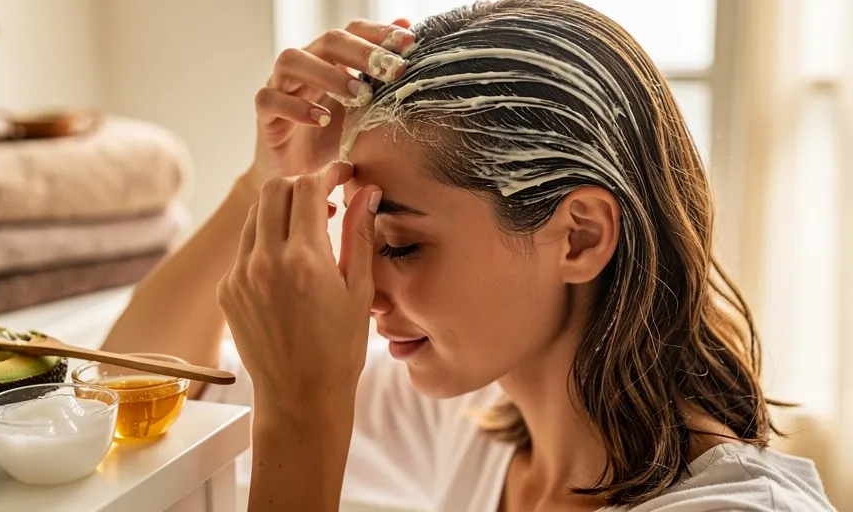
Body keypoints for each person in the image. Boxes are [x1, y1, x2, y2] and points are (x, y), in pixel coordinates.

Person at [102, 1, 837, 510]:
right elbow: (125, 388)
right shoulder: (484, 421)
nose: (367, 294)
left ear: (579, 235)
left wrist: (304, 414)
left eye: (402, 245)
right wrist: (265, 181)